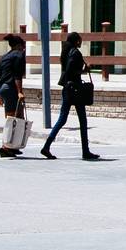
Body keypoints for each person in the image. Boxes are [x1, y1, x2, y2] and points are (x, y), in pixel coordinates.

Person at [41, 30, 100, 160]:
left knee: (62, 119)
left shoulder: (66, 52)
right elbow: (70, 70)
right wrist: (84, 70)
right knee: (82, 121)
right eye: (80, 40)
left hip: (68, 89)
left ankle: (47, 146)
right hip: (75, 90)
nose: (81, 42)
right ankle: (85, 151)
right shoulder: (75, 53)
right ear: (77, 41)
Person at [0, 33, 28, 157]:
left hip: (2, 88)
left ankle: (13, 146)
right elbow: (17, 76)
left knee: (16, 118)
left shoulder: (4, 57)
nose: (24, 48)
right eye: (23, 46)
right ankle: (5, 147)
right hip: (11, 89)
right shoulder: (19, 55)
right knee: (13, 120)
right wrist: (20, 91)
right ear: (19, 45)